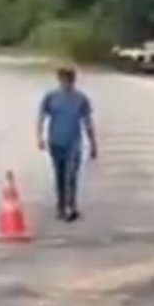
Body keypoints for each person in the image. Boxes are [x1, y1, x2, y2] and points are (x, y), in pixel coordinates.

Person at [37, 66, 97, 222]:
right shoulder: (51, 97)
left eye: (69, 79)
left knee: (71, 174)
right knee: (60, 175)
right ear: (59, 80)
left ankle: (71, 205)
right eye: (64, 79)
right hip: (56, 141)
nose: (67, 82)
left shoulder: (81, 99)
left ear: (73, 80)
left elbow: (87, 122)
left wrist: (93, 144)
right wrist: (39, 137)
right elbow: (42, 117)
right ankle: (61, 206)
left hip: (74, 142)